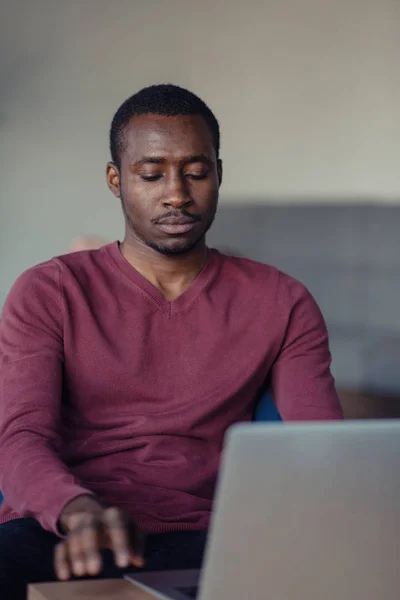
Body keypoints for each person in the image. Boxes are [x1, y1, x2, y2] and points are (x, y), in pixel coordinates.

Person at [0, 84, 343, 599]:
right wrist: (76, 510)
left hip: (214, 534)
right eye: (151, 174)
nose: (177, 193)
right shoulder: (50, 291)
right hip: (70, 525)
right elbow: (21, 436)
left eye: (196, 172)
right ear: (116, 180)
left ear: (219, 175)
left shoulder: (282, 299)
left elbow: (324, 451)